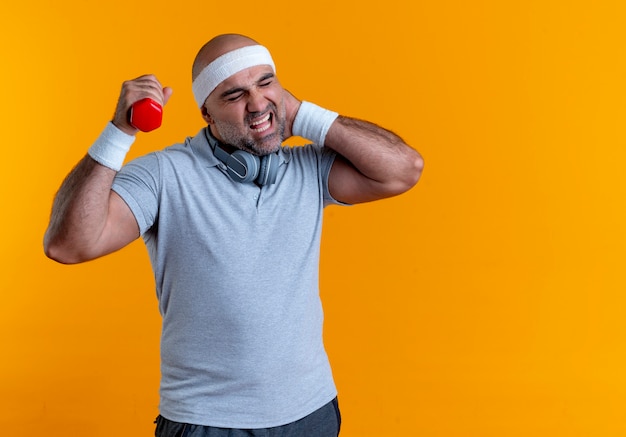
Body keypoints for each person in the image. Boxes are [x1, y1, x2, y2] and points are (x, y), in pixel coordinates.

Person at [44, 33, 424, 436]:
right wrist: (120, 132)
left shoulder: (306, 169)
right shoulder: (163, 175)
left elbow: (404, 170)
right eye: (235, 95)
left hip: (310, 413)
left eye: (265, 82)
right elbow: (68, 245)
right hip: (208, 422)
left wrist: (299, 114)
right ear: (206, 113)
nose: (258, 103)